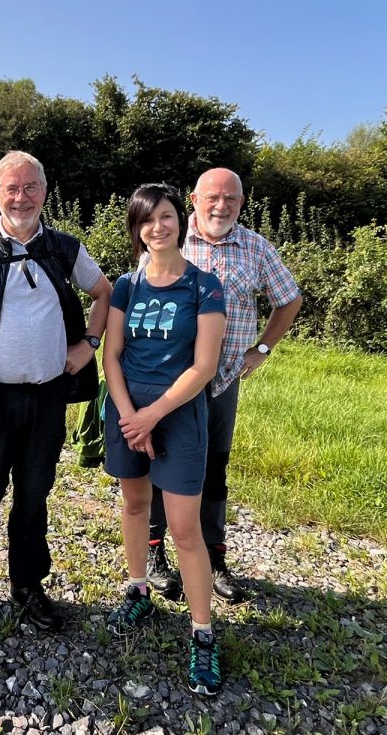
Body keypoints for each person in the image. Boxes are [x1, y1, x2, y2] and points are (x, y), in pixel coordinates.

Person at [0, 151, 112, 636]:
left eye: (30, 186)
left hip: (47, 400)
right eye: (11, 188)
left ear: (44, 190)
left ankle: (28, 586)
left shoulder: (64, 249)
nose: (21, 197)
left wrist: (89, 345)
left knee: (34, 497)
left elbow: (106, 293)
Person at [147, 167, 303, 603]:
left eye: (231, 198)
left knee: (214, 471)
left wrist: (263, 349)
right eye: (212, 197)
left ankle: (215, 559)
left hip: (221, 382)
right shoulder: (169, 237)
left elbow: (289, 299)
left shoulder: (255, 247)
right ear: (193, 199)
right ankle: (155, 554)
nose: (221, 206)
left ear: (241, 201)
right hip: (168, 382)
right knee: (161, 463)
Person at [101, 183, 227, 695]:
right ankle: (138, 590)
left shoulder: (205, 286)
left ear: (182, 220)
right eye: (147, 220)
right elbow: (112, 356)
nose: (158, 227)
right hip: (128, 412)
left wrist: (153, 415)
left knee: (184, 528)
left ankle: (203, 633)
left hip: (176, 415)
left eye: (167, 216)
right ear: (137, 229)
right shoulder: (125, 286)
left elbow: (205, 366)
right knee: (134, 505)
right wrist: (132, 417)